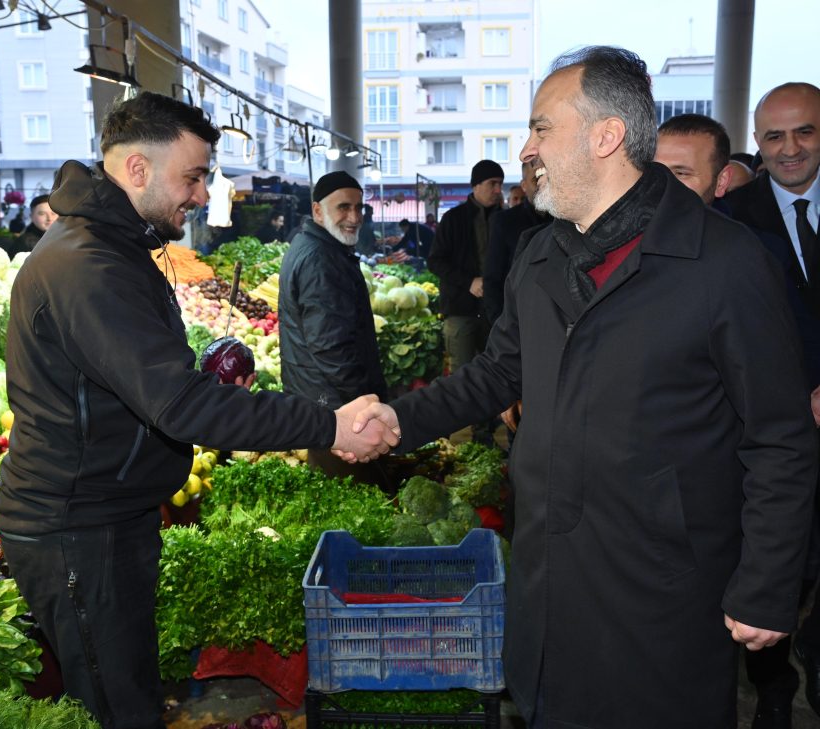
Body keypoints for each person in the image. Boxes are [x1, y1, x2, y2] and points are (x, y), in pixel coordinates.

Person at [346, 46, 818, 729]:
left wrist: (769, 583)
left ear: (606, 136)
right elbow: (495, 374)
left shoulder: (725, 263)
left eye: (542, 128)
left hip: (661, 587)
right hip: (549, 571)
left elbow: (779, 437)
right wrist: (394, 418)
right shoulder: (543, 255)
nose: (526, 147)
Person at [0, 92, 397, 729]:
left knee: (132, 688)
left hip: (109, 510)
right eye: (194, 176)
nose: (203, 195)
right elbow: (179, 406)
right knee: (112, 704)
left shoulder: (115, 247)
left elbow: (150, 382)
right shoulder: (87, 266)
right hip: (75, 527)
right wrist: (330, 423)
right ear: (136, 171)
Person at [725, 82, 820, 726]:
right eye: (775, 136)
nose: (790, 149)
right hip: (773, 431)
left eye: (805, 132)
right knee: (780, 557)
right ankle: (775, 690)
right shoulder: (733, 221)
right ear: (757, 144)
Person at [278, 170, 390, 486]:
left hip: (323, 402)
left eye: (359, 207)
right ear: (317, 210)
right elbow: (331, 347)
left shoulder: (319, 247)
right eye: (343, 207)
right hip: (337, 408)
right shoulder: (319, 259)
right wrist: (365, 404)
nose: (354, 216)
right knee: (355, 500)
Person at [427, 159, 504, 376]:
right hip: (460, 310)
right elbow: (435, 261)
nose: (498, 190)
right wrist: (469, 282)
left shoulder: (504, 218)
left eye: (500, 184)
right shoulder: (453, 219)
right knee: (462, 376)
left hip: (496, 312)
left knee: (495, 375)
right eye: (492, 183)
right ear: (476, 185)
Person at [483, 160, 549, 324]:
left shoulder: (566, 218)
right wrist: (499, 325)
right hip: (517, 319)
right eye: (536, 179)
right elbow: (493, 277)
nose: (543, 184)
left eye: (548, 177)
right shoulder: (505, 221)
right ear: (524, 185)